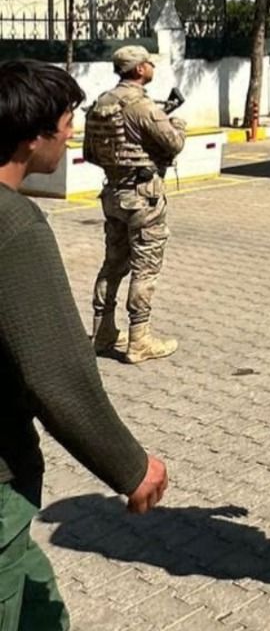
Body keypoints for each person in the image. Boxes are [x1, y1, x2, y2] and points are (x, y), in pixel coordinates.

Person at [0, 59, 169, 630]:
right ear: (33, 134)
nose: (72, 132)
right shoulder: (13, 225)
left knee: (41, 609)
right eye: (65, 121)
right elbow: (55, 372)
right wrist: (129, 466)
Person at [83, 45, 186, 364]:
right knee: (145, 266)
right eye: (149, 63)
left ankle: (102, 332)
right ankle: (139, 339)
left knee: (113, 263)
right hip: (143, 197)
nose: (152, 66)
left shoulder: (102, 103)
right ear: (140, 69)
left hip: (113, 193)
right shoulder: (142, 106)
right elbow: (174, 143)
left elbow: (89, 152)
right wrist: (178, 124)